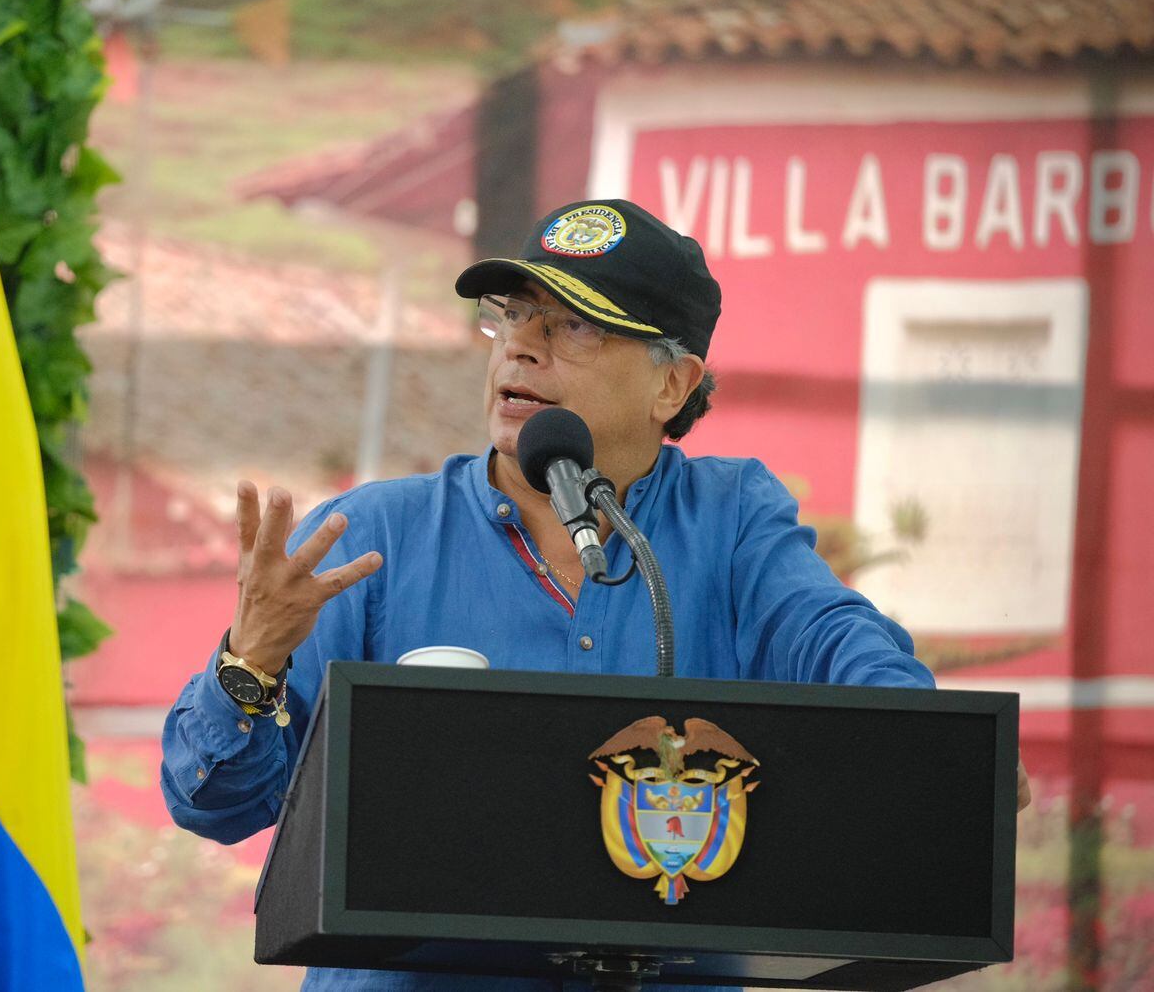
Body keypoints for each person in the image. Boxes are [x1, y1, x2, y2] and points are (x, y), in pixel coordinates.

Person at [159, 199, 1029, 991]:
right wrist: (253, 659)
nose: (522, 347)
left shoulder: (727, 520)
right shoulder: (375, 540)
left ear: (672, 385)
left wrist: (931, 757)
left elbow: (833, 636)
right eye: (511, 318)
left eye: (574, 327)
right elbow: (213, 804)